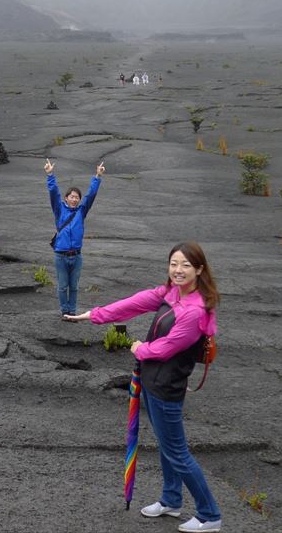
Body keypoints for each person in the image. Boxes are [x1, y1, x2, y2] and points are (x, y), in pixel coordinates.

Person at [65, 242, 222, 532]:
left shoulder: (195, 310)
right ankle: (171, 500)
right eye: (174, 263)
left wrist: (140, 347)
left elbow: (166, 348)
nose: (178, 270)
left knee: (177, 452)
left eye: (186, 265)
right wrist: (96, 315)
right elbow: (136, 302)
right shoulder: (171, 293)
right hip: (152, 381)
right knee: (168, 447)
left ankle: (210, 514)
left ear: (199, 270)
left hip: (166, 387)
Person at [44, 159, 105, 318]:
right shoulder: (59, 210)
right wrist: (50, 174)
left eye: (77, 197)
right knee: (63, 286)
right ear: (66, 199)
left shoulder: (81, 211)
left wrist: (97, 177)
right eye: (71, 197)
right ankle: (65, 311)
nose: (74, 199)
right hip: (61, 256)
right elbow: (53, 193)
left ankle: (72, 311)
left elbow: (91, 195)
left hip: (76, 256)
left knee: (74, 287)